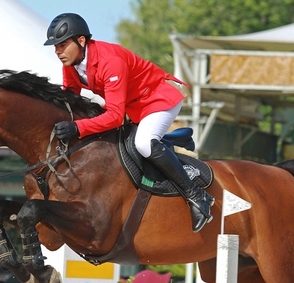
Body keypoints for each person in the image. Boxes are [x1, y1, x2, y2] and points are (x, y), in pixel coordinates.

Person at [44, 13, 213, 233]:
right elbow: (70, 98)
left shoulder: (109, 61)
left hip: (160, 97)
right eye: (56, 46)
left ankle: (198, 197)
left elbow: (114, 116)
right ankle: (173, 138)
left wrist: (78, 127)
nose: (58, 52)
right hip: (133, 105)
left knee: (143, 143)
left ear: (81, 41)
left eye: (62, 45)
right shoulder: (71, 63)